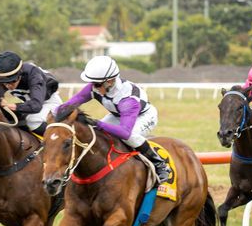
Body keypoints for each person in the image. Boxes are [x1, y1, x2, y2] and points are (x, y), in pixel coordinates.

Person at [59, 55, 172, 184]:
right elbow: (71, 104)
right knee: (95, 132)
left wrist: (98, 123)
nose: (93, 88)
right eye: (92, 83)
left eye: (97, 84)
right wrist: (54, 113)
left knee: (130, 137)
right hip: (118, 114)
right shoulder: (97, 86)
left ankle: (160, 164)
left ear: (110, 81)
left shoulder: (128, 100)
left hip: (144, 116)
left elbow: (124, 132)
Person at [0, 50, 59, 133]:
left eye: (12, 81)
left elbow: (36, 105)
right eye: (4, 82)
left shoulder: (34, 76)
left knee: (32, 120)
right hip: (29, 102)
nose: (8, 86)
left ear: (20, 74)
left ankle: (56, 141)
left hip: (48, 102)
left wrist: (15, 106)